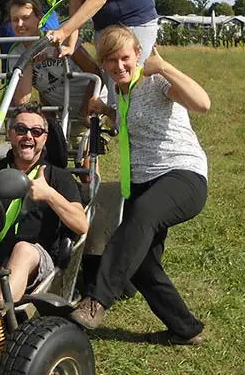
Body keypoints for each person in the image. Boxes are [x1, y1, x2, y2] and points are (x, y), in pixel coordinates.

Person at [69, 26, 210, 346]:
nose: (118, 66)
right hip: (143, 182)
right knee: (141, 262)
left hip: (183, 175)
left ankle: (97, 300)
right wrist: (106, 111)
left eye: (124, 58)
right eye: (110, 60)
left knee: (142, 215)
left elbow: (203, 103)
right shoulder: (121, 94)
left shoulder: (156, 82)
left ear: (137, 55)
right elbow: (127, 123)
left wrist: (165, 67)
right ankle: (185, 329)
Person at [0, 103, 88, 301]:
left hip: (36, 258)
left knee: (23, 250)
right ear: (10, 134)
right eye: (21, 129)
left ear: (45, 138)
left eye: (36, 131)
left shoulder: (58, 177)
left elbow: (81, 225)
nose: (28, 136)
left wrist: (49, 194)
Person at [6, 0, 101, 129]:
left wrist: (85, 111)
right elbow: (22, 100)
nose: (20, 24)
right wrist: (29, 60)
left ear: (39, 18)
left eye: (25, 18)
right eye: (15, 20)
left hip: (92, 106)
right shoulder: (16, 53)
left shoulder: (60, 37)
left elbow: (96, 72)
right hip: (65, 113)